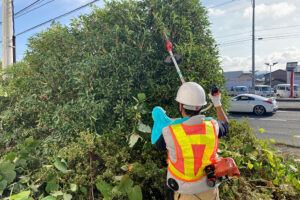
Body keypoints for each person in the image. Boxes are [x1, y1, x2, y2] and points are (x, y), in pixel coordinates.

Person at [155, 82, 229, 200]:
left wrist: (175, 123)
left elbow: (159, 145)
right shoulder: (213, 126)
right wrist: (217, 103)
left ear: (180, 106)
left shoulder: (169, 132)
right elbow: (225, 125)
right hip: (210, 192)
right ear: (201, 107)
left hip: (183, 194)